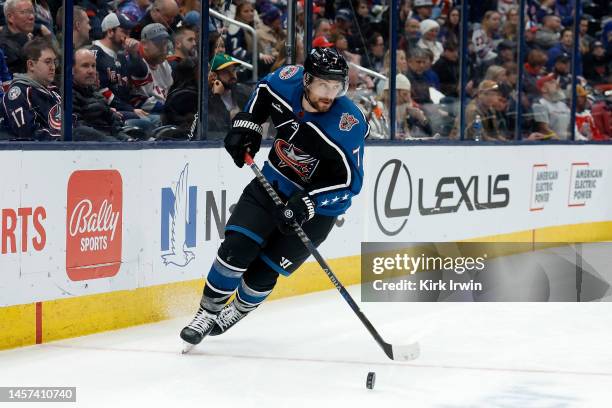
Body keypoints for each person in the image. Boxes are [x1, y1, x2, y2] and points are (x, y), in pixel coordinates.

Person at [180, 47, 368, 347]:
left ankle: (238, 310)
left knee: (264, 272)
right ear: (306, 80)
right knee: (236, 248)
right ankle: (206, 312)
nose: (329, 94)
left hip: (316, 211)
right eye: (323, 84)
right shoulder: (285, 80)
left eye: (336, 87)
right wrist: (248, 125)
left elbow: (350, 183)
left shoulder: (348, 123)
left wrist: (310, 203)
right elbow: (263, 91)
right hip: (273, 183)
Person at [2, 38, 60, 140]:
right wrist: (66, 138)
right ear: (31, 65)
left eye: (54, 62)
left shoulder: (55, 92)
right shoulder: (18, 93)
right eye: (48, 62)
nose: (53, 67)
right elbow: (28, 133)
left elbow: (72, 122)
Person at [0, 0, 53, 74]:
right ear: (10, 17)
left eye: (32, 12)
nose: (31, 17)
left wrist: (48, 37)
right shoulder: (4, 45)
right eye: (24, 12)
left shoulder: (34, 35)